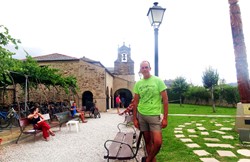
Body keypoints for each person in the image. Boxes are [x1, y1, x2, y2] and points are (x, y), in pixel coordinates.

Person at [133, 60, 168, 162]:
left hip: (154, 115)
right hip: (142, 115)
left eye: (146, 67)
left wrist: (165, 118)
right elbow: (135, 102)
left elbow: (165, 100)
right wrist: (135, 119)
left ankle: (147, 160)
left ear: (150, 68)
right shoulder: (138, 84)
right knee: (148, 142)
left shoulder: (158, 81)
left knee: (158, 142)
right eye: (142, 67)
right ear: (140, 70)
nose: (144, 69)